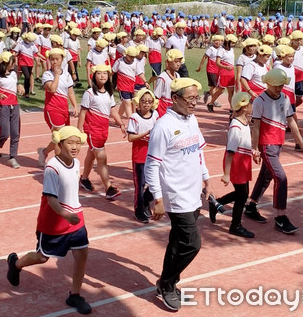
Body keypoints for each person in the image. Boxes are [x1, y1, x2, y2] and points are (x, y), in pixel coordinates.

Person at [6, 126, 92, 315]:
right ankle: (16, 264)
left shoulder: (76, 163)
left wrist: (73, 213)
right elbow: (51, 199)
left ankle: (75, 295)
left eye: (78, 143)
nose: (75, 147)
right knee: (42, 257)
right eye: (70, 143)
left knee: (82, 255)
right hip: (55, 221)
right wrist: (65, 214)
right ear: (59, 144)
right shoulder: (53, 167)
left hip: (76, 219)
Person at [144, 77, 211, 311]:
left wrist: (205, 177)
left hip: (193, 192)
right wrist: (158, 198)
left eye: (197, 98)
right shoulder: (163, 127)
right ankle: (167, 283)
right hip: (175, 195)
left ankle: (167, 281)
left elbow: (198, 152)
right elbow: (151, 165)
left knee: (177, 241)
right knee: (192, 244)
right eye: (190, 98)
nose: (195, 102)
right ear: (175, 99)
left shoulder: (192, 119)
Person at [244, 68, 303, 234]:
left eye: (281, 85)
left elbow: (292, 123)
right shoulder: (260, 101)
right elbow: (256, 127)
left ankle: (251, 206)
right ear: (267, 84)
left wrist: (300, 143)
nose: (278, 88)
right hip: (266, 146)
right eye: (275, 86)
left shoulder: (285, 98)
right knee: (280, 177)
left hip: (278, 144)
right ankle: (280, 217)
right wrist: (255, 148)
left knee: (265, 176)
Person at [77, 64, 126, 200]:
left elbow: (113, 111)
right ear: (94, 75)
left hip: (104, 130)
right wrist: (78, 131)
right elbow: (83, 113)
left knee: (91, 155)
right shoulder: (89, 93)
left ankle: (84, 178)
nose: (102, 76)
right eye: (99, 73)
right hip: (93, 130)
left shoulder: (109, 93)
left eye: (105, 73)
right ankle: (109, 188)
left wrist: (121, 123)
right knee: (101, 159)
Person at [215, 92, 257, 238]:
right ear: (244, 107)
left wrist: (252, 152)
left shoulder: (244, 123)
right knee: (242, 195)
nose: (253, 106)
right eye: (251, 104)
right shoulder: (236, 127)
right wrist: (226, 174)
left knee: (242, 194)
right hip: (236, 163)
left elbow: (243, 144)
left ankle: (217, 203)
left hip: (243, 162)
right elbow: (230, 152)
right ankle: (235, 226)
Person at [37, 48, 78, 167]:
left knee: (63, 137)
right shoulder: (47, 74)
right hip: (52, 109)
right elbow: (52, 88)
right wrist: (56, 75)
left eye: (57, 59)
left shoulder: (67, 74)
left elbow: (70, 91)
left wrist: (75, 105)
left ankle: (44, 152)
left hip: (64, 109)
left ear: (62, 60)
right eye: (52, 59)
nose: (55, 62)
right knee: (59, 137)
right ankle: (59, 164)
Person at [127, 88, 158, 223]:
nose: (146, 104)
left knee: (157, 182)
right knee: (140, 185)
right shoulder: (134, 117)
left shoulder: (155, 115)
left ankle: (145, 202)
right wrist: (145, 133)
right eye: (143, 101)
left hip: (153, 155)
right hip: (140, 156)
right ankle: (139, 210)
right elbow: (130, 138)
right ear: (138, 102)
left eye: (149, 101)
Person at [0, 52, 23, 169]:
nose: (14, 64)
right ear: (6, 63)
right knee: (4, 133)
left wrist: (20, 87)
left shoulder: (14, 74)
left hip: (14, 105)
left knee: (15, 133)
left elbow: (16, 84)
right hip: (3, 106)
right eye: (12, 62)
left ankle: (12, 157)